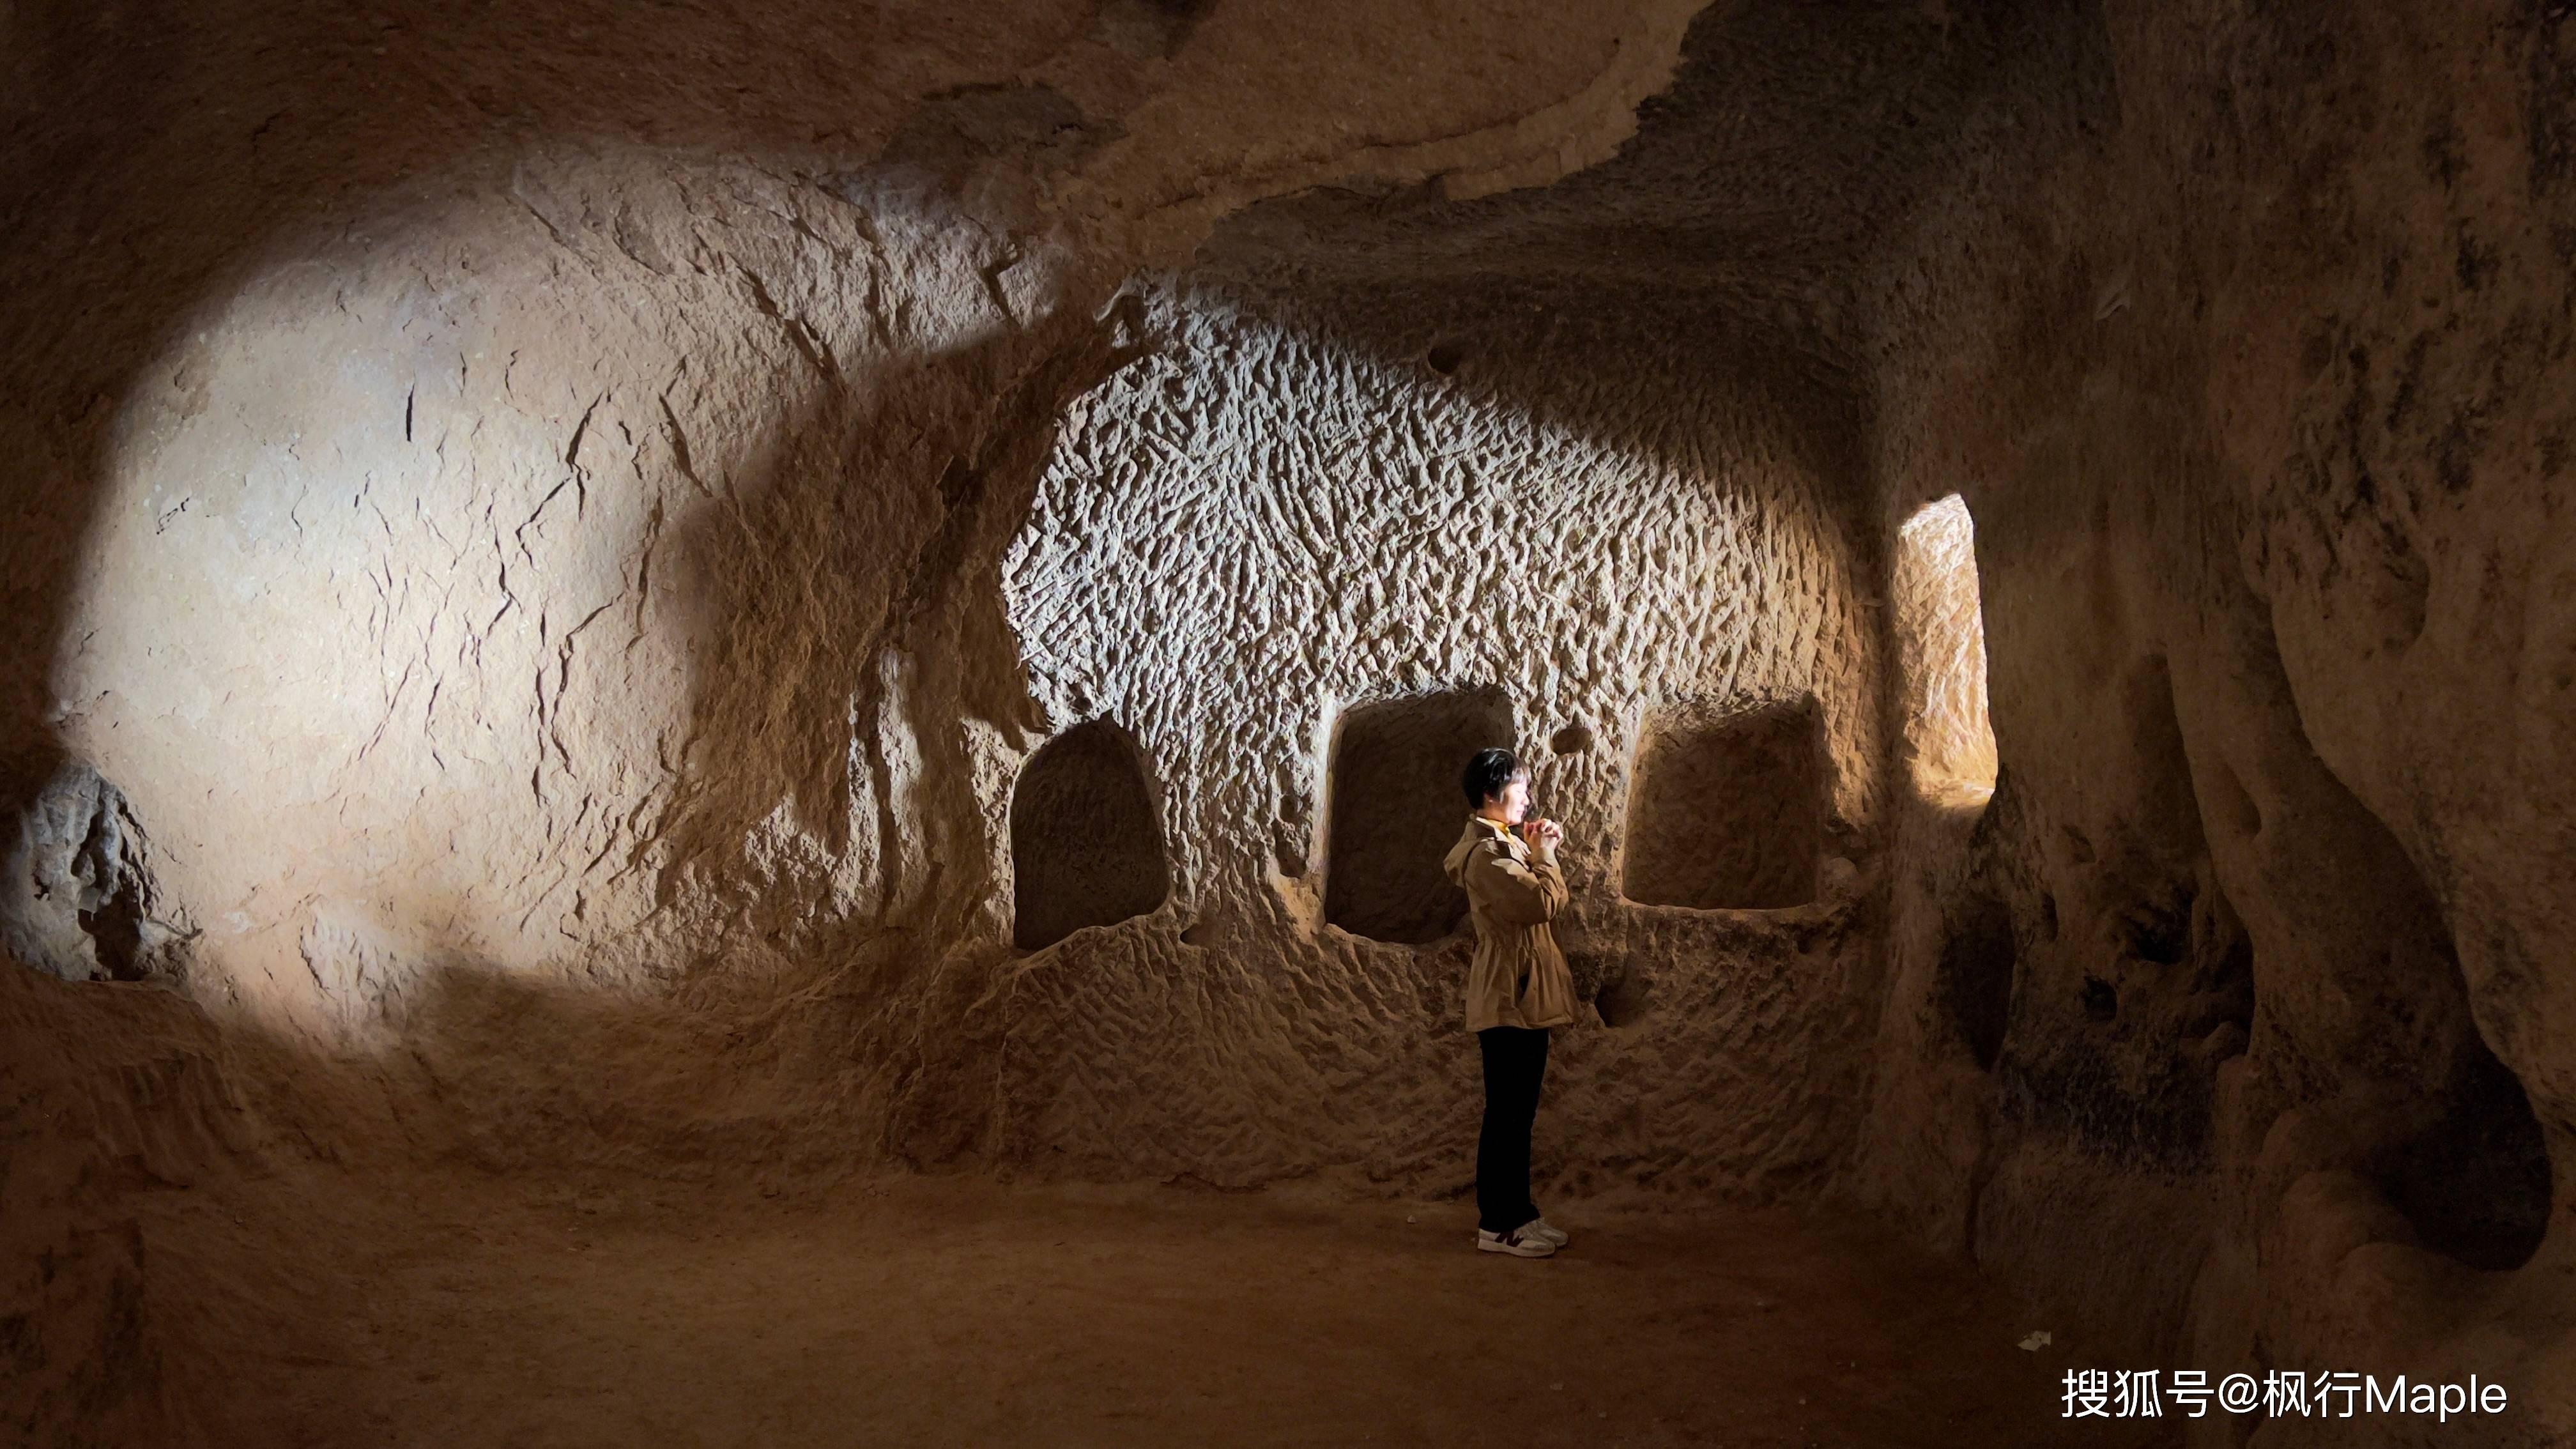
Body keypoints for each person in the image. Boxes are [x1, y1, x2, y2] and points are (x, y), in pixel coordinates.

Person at [1441, 746, 1577, 1258]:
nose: (1526, 799)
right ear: (1493, 795)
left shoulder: (1503, 844)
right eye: (1519, 790)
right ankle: (1496, 1224)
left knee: (1518, 1114)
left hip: (1522, 991)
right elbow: (1541, 904)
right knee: (1506, 1114)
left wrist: (1534, 848)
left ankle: (1518, 1213)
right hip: (1508, 994)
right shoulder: (1487, 855)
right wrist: (1544, 855)